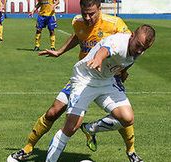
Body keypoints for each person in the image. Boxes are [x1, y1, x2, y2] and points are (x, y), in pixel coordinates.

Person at [7, 0, 139, 161]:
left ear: (99, 8)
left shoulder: (115, 24)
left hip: (109, 77)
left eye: (92, 13)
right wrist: (60, 51)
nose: (88, 17)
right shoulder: (78, 21)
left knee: (123, 114)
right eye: (85, 13)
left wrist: (123, 71)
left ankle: (131, 151)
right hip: (83, 78)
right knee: (53, 112)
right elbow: (78, 36)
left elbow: (132, 49)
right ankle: (27, 147)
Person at [46, 24, 156, 162]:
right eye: (138, 45)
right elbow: (104, 50)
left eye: (143, 49)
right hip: (85, 79)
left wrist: (123, 71)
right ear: (132, 35)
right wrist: (98, 59)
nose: (139, 50)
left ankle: (90, 129)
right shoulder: (118, 42)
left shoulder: (137, 50)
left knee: (127, 118)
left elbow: (128, 60)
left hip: (106, 81)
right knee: (71, 126)